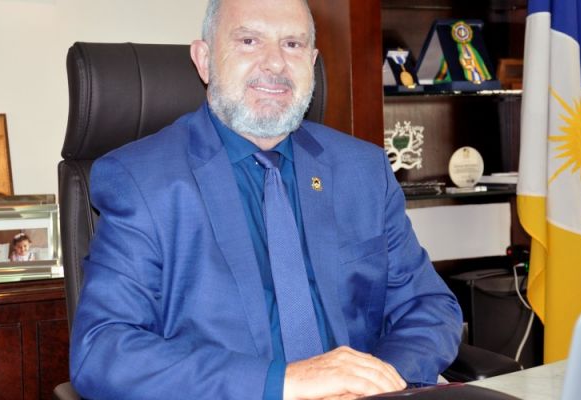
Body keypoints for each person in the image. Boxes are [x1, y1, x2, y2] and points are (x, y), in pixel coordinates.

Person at [70, 0, 463, 399]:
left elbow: (430, 308)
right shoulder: (142, 180)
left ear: (312, 62)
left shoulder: (362, 170)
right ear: (204, 60)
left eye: (292, 44)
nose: (275, 63)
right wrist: (286, 383)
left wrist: (372, 383)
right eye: (249, 41)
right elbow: (102, 351)